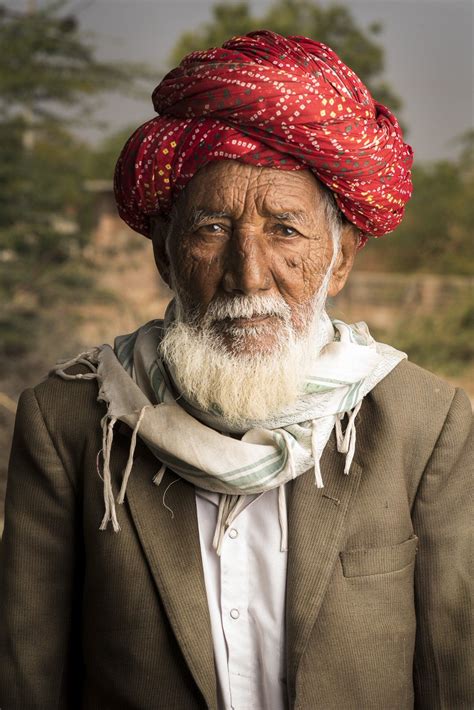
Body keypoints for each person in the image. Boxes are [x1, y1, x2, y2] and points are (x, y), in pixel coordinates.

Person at [1, 30, 471, 710]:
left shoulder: (428, 427)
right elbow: (26, 682)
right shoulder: (69, 423)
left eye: (284, 229)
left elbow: (457, 679)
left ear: (339, 261)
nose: (248, 276)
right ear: (166, 255)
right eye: (212, 229)